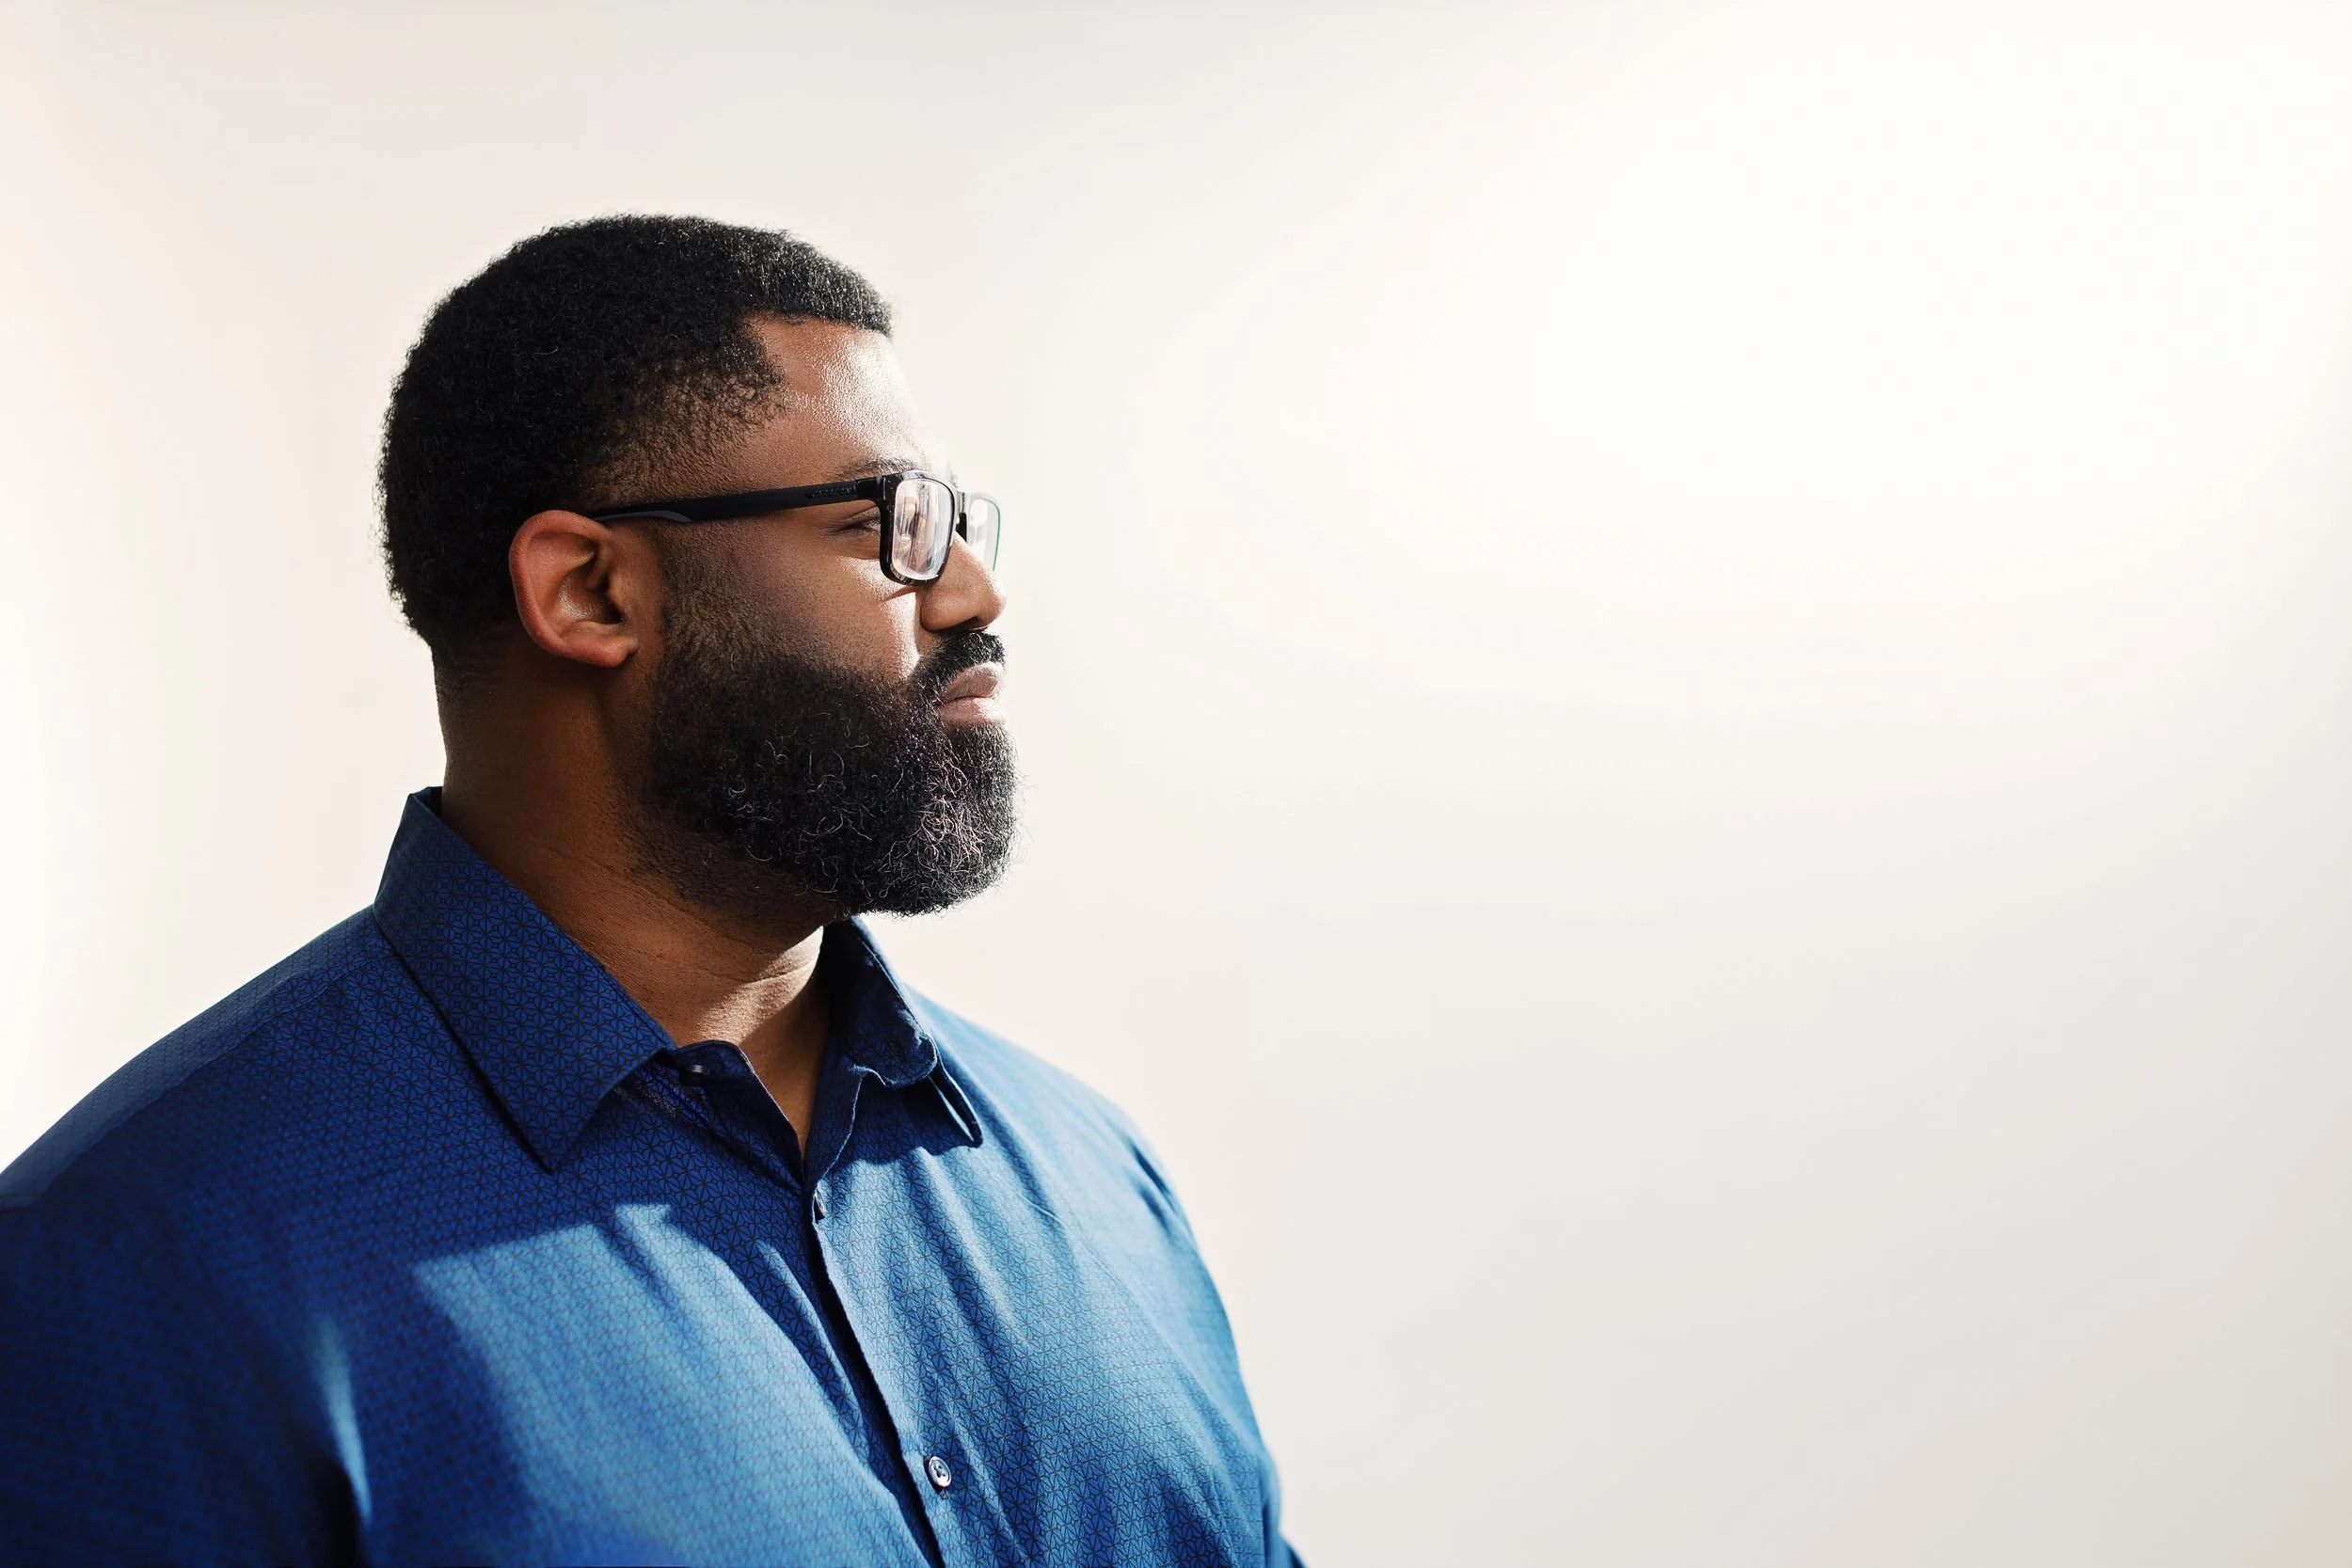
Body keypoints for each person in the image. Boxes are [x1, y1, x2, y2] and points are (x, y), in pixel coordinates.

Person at [0, 215, 1295, 1567]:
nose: (974, 588)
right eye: (894, 525)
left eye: (962, 521)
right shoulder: (130, 1276)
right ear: (591, 589)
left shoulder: (1097, 1182)